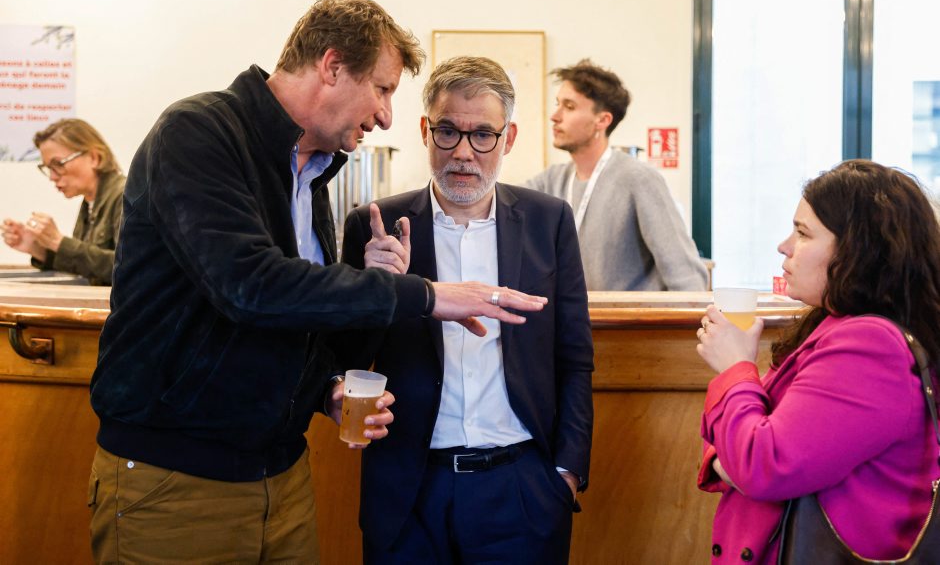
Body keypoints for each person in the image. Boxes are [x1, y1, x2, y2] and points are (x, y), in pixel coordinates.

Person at [86, 0, 546, 564]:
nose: (386, 116)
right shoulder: (197, 132)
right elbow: (251, 287)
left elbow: (293, 324)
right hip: (175, 482)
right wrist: (426, 295)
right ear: (332, 66)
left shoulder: (311, 175)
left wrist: (326, 387)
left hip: (283, 477)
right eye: (382, 89)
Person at [332, 56, 594, 564]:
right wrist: (376, 288)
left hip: (522, 487)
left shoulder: (549, 221)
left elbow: (575, 357)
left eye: (483, 135)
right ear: (425, 131)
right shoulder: (375, 226)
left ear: (508, 138)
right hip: (409, 490)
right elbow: (347, 357)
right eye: (448, 131)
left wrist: (567, 471)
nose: (464, 153)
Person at [696, 159, 940, 563]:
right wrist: (733, 452)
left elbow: (761, 466)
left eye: (803, 233)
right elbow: (735, 437)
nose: (785, 246)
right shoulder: (833, 324)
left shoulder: (869, 346)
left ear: (860, 251)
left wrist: (736, 369)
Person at [527, 59, 707, 291]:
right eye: (558, 104)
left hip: (628, 314)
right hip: (578, 313)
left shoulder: (639, 179)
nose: (555, 116)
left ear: (602, 120)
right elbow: (499, 199)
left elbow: (688, 279)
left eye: (569, 107)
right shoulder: (552, 180)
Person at [1, 119, 125, 285]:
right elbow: (86, 268)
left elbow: (128, 268)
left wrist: (58, 242)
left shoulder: (124, 196)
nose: (52, 177)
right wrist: (38, 249)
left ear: (94, 158)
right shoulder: (90, 202)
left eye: (58, 164)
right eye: (48, 168)